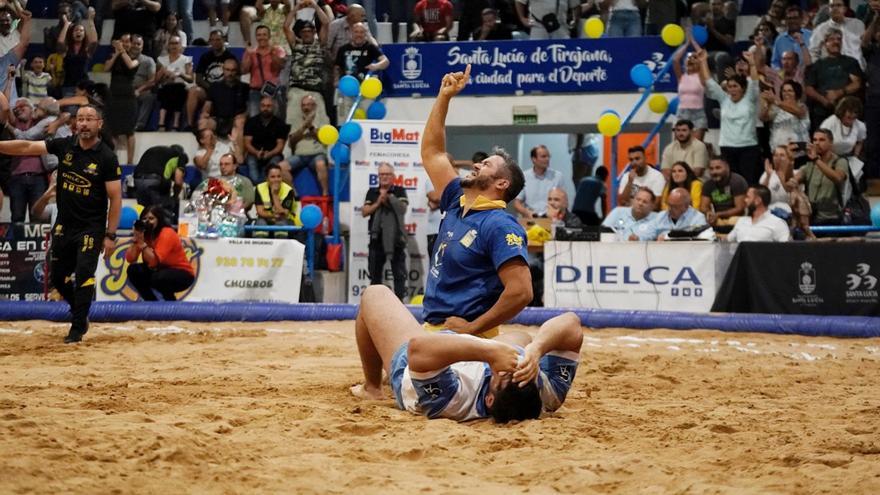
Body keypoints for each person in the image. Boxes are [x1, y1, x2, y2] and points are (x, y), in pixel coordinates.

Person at [351, 284, 583, 423]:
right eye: (521, 369)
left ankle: (372, 388)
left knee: (374, 294)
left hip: (421, 369)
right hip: (468, 355)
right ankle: (513, 349)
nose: (515, 367)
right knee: (523, 339)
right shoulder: (546, 394)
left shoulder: (452, 402)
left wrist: (489, 352)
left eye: (505, 374)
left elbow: (419, 349)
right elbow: (572, 324)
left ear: (489, 399)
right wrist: (536, 350)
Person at [420, 64, 531, 339]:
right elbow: (433, 152)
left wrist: (472, 328)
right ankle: (373, 385)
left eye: (487, 164)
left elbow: (521, 292)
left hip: (468, 338)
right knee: (374, 303)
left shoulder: (500, 224)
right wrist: (444, 97)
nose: (478, 164)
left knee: (375, 298)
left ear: (502, 183)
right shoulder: (457, 199)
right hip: (434, 330)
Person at [0, 104, 121, 343]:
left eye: (89, 119)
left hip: (91, 227)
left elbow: (115, 198)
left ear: (99, 124)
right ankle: (80, 312)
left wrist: (110, 235)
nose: (84, 123)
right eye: (81, 119)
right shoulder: (64, 145)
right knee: (57, 277)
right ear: (75, 123)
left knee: (85, 273)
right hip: (64, 225)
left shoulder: (107, 157)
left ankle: (77, 328)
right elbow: (26, 146)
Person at [700, 48, 762, 184]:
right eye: (729, 86)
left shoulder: (750, 98)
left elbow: (754, 82)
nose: (732, 89)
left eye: (735, 86)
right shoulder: (724, 99)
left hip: (748, 147)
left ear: (743, 88)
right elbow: (709, 82)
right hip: (727, 146)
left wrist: (752, 63)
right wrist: (703, 61)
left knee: (748, 181)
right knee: (729, 181)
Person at [125, 205, 195, 301]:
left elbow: (154, 261)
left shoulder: (167, 233)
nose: (147, 222)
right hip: (160, 270)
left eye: (151, 218)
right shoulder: (145, 235)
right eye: (144, 219)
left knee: (159, 277)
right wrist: (137, 239)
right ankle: (151, 302)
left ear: (159, 219)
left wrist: (142, 244)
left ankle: (170, 303)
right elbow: (130, 258)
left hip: (182, 274)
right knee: (134, 270)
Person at [362, 162, 409, 300]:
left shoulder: (399, 191)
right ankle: (375, 306)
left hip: (396, 239)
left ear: (393, 176)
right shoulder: (372, 192)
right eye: (382, 174)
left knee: (399, 275)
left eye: (387, 174)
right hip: (376, 239)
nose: (384, 177)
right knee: (374, 275)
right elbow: (365, 212)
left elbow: (402, 209)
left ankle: (400, 304)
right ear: (378, 176)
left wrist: (390, 198)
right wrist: (378, 202)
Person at [804, 28, 864, 133]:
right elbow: (809, 88)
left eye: (839, 39)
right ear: (825, 43)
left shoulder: (850, 62)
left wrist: (838, 93)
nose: (836, 42)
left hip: (847, 113)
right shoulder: (817, 65)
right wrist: (824, 101)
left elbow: (857, 84)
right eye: (832, 39)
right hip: (822, 112)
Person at [794, 128, 848, 225]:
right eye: (814, 140)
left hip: (832, 219)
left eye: (821, 140)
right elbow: (790, 183)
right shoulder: (809, 165)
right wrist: (788, 161)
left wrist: (816, 160)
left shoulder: (840, 162)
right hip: (812, 217)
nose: (817, 143)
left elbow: (838, 178)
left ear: (831, 143)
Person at [186, 30, 237, 129]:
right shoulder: (205, 57)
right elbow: (199, 79)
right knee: (193, 91)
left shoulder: (230, 57)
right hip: (208, 89)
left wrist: (220, 89)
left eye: (218, 40)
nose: (215, 42)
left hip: (225, 90)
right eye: (212, 40)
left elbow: (235, 77)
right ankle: (189, 124)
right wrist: (212, 89)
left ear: (223, 40)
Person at [280, 94, 330, 194]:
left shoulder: (323, 119)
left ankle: (325, 193)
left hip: (317, 153)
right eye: (304, 105)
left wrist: (310, 127)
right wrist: (302, 128)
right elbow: (291, 141)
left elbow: (325, 138)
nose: (306, 107)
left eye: (309, 105)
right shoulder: (296, 119)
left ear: (314, 106)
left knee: (320, 164)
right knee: (281, 167)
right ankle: (294, 193)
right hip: (299, 155)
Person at [104, 34, 140, 165]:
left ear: (131, 44)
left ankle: (130, 162)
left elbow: (130, 65)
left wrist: (122, 51)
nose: (124, 44)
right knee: (113, 130)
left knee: (129, 131)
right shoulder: (115, 56)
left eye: (127, 42)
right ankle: (113, 160)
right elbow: (106, 68)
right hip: (114, 96)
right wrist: (116, 54)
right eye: (122, 41)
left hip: (128, 98)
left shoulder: (135, 58)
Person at [241, 24, 285, 118]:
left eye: (264, 34)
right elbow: (244, 71)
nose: (261, 37)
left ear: (269, 36)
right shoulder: (251, 52)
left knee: (276, 119)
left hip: (273, 91)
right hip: (255, 92)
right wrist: (249, 55)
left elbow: (280, 66)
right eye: (259, 35)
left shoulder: (278, 50)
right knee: (254, 119)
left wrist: (272, 53)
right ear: (256, 37)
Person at [244, 96, 288, 184]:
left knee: (273, 165)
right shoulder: (251, 122)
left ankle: (262, 187)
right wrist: (256, 152)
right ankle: (260, 186)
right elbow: (247, 143)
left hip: (273, 154)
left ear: (273, 107)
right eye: (263, 106)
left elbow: (280, 145)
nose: (265, 108)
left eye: (268, 106)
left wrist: (270, 154)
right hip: (254, 153)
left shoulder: (280, 124)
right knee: (254, 175)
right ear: (259, 107)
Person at [639, 187, 710, 241]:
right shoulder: (661, 216)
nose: (670, 209)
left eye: (674, 206)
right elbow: (648, 233)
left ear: (686, 206)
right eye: (669, 205)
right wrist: (638, 238)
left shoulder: (697, 218)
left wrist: (669, 238)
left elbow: (700, 239)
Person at [809, 0, 866, 68]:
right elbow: (813, 52)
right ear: (828, 10)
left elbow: (865, 46)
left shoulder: (858, 24)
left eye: (838, 5)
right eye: (832, 6)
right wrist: (822, 70)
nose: (835, 8)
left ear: (845, 9)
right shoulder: (820, 29)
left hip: (858, 71)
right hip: (833, 73)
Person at [513, 145, 564, 218]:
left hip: (551, 219)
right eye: (543, 156)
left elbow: (563, 202)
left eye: (548, 156)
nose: (547, 159)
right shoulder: (524, 176)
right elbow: (517, 203)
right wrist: (526, 212)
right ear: (534, 159)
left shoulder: (558, 176)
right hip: (530, 219)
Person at [154, 35, 193, 131]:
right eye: (172, 43)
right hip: (165, 86)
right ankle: (162, 123)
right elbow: (156, 80)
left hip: (181, 87)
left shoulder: (186, 60)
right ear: (168, 45)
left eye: (176, 43)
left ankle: (174, 124)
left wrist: (180, 74)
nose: (174, 46)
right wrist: (163, 72)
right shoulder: (161, 60)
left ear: (180, 45)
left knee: (177, 89)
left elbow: (190, 79)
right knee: (167, 89)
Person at [726, 185, 791, 242]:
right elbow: (727, 240)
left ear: (757, 201)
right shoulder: (741, 221)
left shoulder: (778, 223)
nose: (745, 200)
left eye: (748, 197)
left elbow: (786, 249)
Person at [761, 80, 810, 153]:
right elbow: (763, 118)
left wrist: (775, 101)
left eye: (790, 91)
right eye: (784, 91)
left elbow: (799, 113)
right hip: (778, 152)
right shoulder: (777, 108)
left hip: (798, 153)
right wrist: (768, 104)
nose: (786, 93)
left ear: (796, 93)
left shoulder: (802, 107)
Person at [254, 162, 302, 237]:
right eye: (273, 177)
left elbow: (283, 213)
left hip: (285, 220)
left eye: (279, 176)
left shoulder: (288, 190)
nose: (276, 179)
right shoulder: (259, 188)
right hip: (267, 219)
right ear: (267, 178)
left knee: (280, 225)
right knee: (260, 224)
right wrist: (272, 216)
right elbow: (260, 211)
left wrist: (275, 195)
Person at [700, 157, 747, 227]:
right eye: (711, 169)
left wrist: (718, 214)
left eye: (718, 168)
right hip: (717, 218)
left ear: (727, 167)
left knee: (733, 221)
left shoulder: (737, 181)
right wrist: (708, 213)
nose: (714, 172)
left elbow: (740, 208)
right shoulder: (708, 184)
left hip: (736, 217)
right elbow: (704, 207)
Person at [771, 5, 811, 69]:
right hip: (785, 77)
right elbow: (775, 62)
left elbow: (816, 59)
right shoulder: (779, 40)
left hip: (808, 76)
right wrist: (781, 75)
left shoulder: (810, 36)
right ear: (785, 21)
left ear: (801, 19)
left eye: (795, 18)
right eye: (789, 18)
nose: (792, 21)